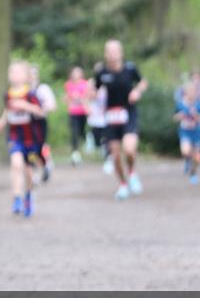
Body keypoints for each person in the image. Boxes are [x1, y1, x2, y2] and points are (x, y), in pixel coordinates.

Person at [92, 40, 148, 201]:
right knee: (116, 155)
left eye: (116, 50)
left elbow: (143, 82)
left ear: (121, 52)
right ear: (105, 54)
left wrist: (137, 91)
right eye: (109, 51)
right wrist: (90, 95)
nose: (113, 54)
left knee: (129, 149)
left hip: (129, 113)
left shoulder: (130, 69)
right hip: (111, 116)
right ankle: (123, 185)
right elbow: (95, 91)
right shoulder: (102, 72)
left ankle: (132, 172)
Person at [0, 60, 44, 217]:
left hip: (30, 138)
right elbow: (8, 110)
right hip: (15, 137)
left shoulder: (30, 94)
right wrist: (2, 121)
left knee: (28, 172)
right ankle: (17, 198)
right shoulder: (8, 94)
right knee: (16, 164)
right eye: (11, 72)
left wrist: (26, 106)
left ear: (26, 76)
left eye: (17, 72)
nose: (13, 75)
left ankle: (28, 195)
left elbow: (40, 112)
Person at [174, 81, 200, 184]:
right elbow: (174, 117)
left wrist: (196, 115)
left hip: (197, 134)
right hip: (185, 132)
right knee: (185, 151)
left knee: (198, 158)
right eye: (189, 91)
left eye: (194, 91)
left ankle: (193, 173)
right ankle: (187, 160)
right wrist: (179, 116)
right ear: (185, 92)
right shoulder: (180, 104)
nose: (191, 93)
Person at [29, 65, 57, 182]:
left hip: (39, 122)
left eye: (33, 73)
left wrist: (41, 109)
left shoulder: (43, 89)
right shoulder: (23, 90)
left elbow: (52, 106)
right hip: (26, 123)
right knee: (29, 148)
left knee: (41, 147)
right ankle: (33, 174)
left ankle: (46, 164)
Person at [86, 61, 112, 173]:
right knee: (98, 139)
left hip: (107, 115)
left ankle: (108, 159)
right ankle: (93, 141)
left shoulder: (110, 80)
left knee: (108, 138)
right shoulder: (92, 82)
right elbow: (88, 96)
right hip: (95, 115)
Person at [63, 66, 90, 165]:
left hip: (82, 112)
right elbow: (66, 98)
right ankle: (75, 153)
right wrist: (68, 98)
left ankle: (85, 143)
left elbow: (87, 97)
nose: (75, 75)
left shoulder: (85, 84)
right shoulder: (68, 84)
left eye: (77, 72)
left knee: (81, 132)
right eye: (74, 73)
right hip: (73, 112)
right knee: (74, 132)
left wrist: (80, 98)